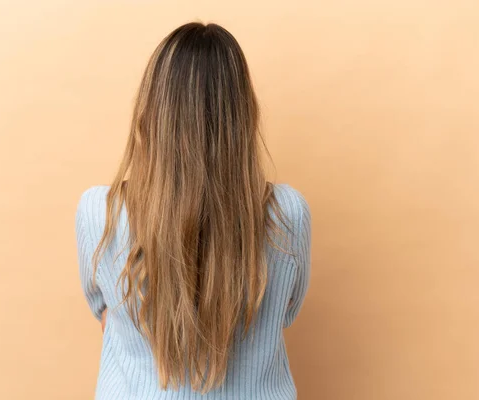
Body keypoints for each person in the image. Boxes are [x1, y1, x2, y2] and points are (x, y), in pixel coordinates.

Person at [75, 22, 311, 400]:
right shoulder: (288, 214)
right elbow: (284, 313)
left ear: (151, 110)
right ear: (243, 113)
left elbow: (105, 314)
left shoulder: (98, 213)